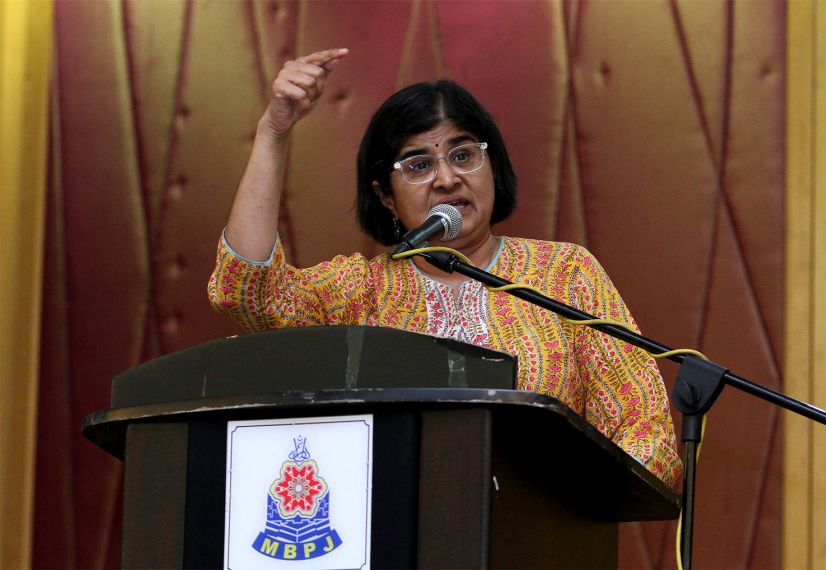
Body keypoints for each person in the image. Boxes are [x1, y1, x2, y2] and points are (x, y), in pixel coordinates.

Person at [208, 48, 683, 487]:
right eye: (417, 165)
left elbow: (643, 426)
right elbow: (249, 290)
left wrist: (555, 500)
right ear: (385, 197)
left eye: (463, 155)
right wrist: (274, 132)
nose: (447, 178)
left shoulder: (563, 273)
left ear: (490, 166)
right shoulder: (360, 289)